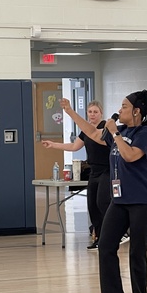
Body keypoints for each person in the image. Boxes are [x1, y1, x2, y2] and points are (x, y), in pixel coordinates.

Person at [61, 90, 147, 293]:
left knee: (137, 251)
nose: (120, 111)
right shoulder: (120, 131)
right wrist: (70, 111)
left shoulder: (146, 133)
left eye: (124, 106)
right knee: (106, 245)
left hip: (143, 199)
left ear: (137, 111)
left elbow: (130, 156)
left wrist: (115, 133)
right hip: (120, 199)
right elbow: (91, 132)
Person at [42, 100, 109, 250]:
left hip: (107, 171)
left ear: (101, 114)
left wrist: (70, 111)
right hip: (94, 172)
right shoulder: (85, 130)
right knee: (92, 206)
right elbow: (74, 146)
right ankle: (98, 237)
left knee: (102, 203)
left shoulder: (104, 128)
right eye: (90, 112)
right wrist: (53, 144)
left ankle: (111, 236)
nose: (92, 115)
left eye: (95, 112)